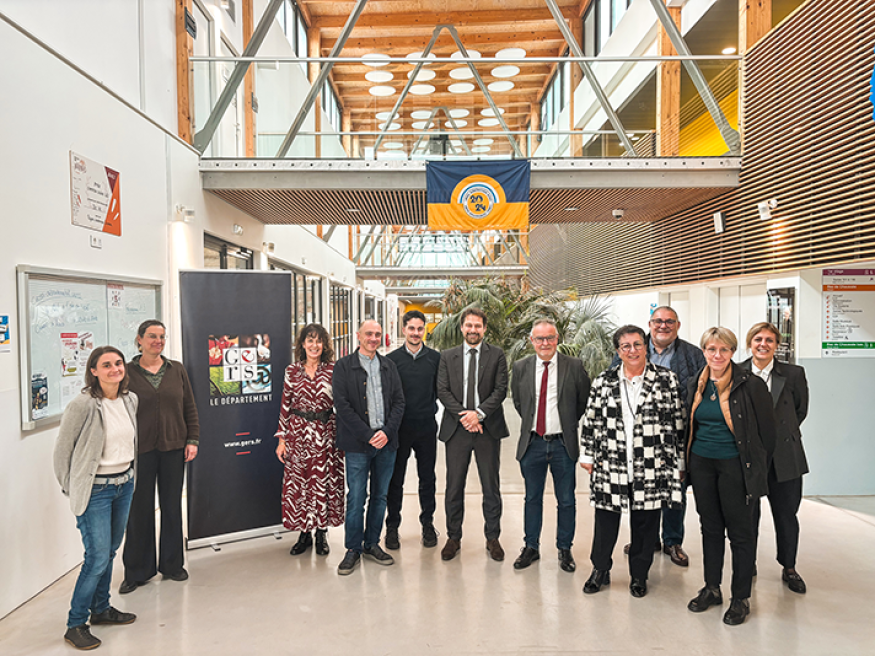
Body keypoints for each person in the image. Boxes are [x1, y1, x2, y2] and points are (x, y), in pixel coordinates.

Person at [579, 325, 685, 598]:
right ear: (618, 351)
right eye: (625, 346)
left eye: (637, 344)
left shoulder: (666, 379)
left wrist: (680, 462)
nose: (632, 350)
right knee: (605, 519)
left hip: (652, 462)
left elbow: (677, 423)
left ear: (646, 347)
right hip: (611, 460)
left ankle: (639, 574)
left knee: (646, 522)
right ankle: (600, 569)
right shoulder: (603, 381)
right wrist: (587, 455)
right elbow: (591, 421)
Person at [685, 327, 776, 626]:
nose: (717, 355)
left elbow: (767, 434)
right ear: (704, 351)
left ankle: (740, 597)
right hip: (702, 464)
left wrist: (755, 469)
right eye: (712, 349)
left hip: (736, 466)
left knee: (740, 532)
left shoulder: (750, 385)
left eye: (724, 349)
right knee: (710, 528)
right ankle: (712, 588)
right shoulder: (695, 384)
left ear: (733, 352)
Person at [54, 347, 139, 650]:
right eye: (106, 365)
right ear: (94, 371)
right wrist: (74, 488)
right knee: (97, 557)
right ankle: (75, 624)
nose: (115, 369)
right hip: (96, 492)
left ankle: (101, 609)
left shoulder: (130, 399)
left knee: (110, 552)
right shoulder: (83, 405)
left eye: (118, 363)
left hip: (124, 485)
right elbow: (62, 452)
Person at [613, 306, 705, 567]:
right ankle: (647, 539)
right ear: (650, 324)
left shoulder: (693, 356)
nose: (663, 326)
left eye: (669, 321)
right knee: (641, 490)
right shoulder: (634, 349)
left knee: (675, 490)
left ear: (678, 325)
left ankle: (672, 541)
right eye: (658, 321)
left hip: (675, 435)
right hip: (638, 437)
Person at [120, 320, 199, 594]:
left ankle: (172, 565)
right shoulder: (126, 372)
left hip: (174, 447)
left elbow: (189, 406)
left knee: (172, 507)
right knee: (138, 510)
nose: (158, 341)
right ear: (139, 339)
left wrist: (192, 439)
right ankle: (137, 571)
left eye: (162, 337)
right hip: (139, 452)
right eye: (152, 336)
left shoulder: (176, 370)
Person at [511, 319, 590, 573]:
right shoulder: (521, 367)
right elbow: (519, 402)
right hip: (532, 443)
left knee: (566, 500)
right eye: (540, 339)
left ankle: (564, 548)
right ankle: (531, 547)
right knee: (532, 498)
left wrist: (565, 424)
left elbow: (582, 401)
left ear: (557, 339)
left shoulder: (574, 366)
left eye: (550, 338)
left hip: (562, 444)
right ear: (531, 341)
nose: (545, 343)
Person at [741, 322, 809, 593]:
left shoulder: (793, 374)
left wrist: (778, 436)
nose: (763, 344)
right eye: (758, 339)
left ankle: (789, 566)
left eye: (769, 340)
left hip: (785, 455)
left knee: (786, 515)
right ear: (750, 343)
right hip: (749, 457)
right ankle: (748, 563)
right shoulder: (738, 373)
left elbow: (800, 410)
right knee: (747, 515)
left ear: (777, 345)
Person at [332, 319, 405, 575]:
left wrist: (386, 432)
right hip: (357, 445)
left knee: (380, 496)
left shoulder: (389, 366)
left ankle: (372, 543)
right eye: (369, 334)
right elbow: (342, 406)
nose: (373, 338)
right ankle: (353, 549)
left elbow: (399, 402)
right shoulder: (343, 366)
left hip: (387, 443)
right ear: (358, 335)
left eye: (377, 334)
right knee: (356, 498)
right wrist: (367, 435)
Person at [437, 307, 509, 562]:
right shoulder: (447, 356)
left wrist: (478, 414)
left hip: (487, 429)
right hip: (457, 430)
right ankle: (453, 537)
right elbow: (442, 391)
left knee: (491, 485)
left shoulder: (496, 355)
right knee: (454, 486)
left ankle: (493, 537)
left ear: (484, 329)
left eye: (478, 325)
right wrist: (466, 417)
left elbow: (501, 390)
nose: (473, 330)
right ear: (462, 328)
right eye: (469, 325)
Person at [275, 323, 343, 557]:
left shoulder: (333, 370)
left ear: (324, 345)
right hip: (298, 434)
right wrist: (282, 439)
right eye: (310, 340)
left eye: (319, 341)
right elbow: (285, 405)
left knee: (323, 483)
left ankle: (321, 533)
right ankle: (303, 533)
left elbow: (342, 404)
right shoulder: (292, 371)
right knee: (301, 484)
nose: (315, 345)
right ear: (303, 344)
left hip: (326, 433)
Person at [385, 310, 442, 550]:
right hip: (399, 428)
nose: (416, 333)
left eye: (420, 329)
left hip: (426, 426)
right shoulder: (391, 360)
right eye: (411, 328)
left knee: (427, 478)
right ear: (404, 330)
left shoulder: (435, 359)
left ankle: (427, 524)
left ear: (424, 330)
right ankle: (392, 527)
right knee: (395, 479)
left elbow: (441, 391)